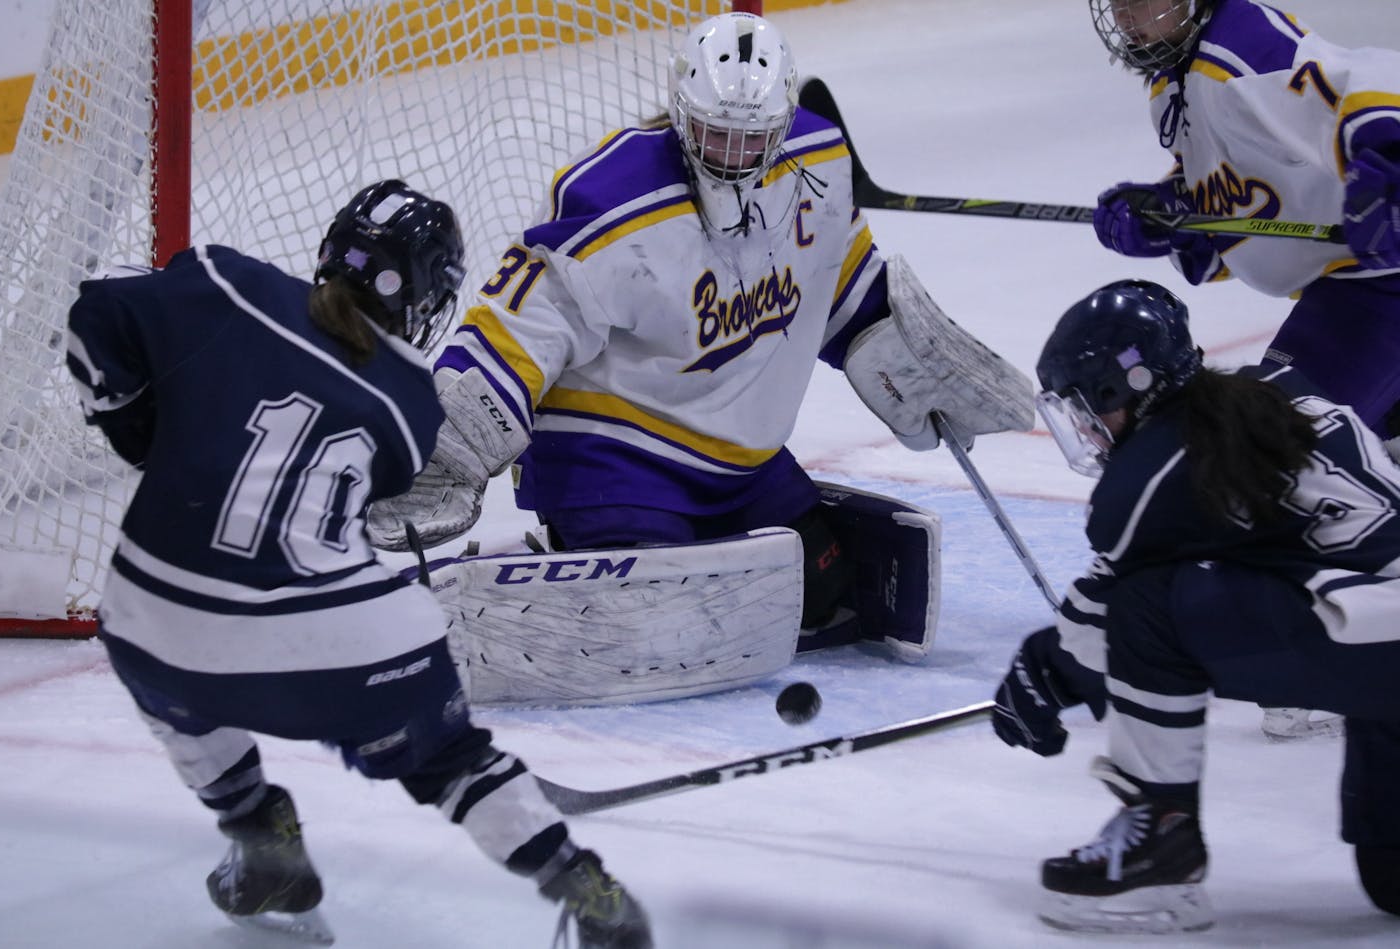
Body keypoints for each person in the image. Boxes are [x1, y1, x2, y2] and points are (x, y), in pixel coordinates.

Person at [367, 12, 1035, 705]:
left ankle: (615, 559)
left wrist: (895, 346)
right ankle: (561, 558)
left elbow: (836, 281)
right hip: (613, 456)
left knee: (826, 595)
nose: (735, 155)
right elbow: (518, 324)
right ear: (681, 114)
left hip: (741, 464)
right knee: (668, 626)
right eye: (717, 133)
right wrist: (449, 441)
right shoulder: (611, 198)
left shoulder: (819, 162)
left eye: (755, 139)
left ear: (784, 123)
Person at [63, 180, 652, 947]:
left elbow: (94, 315)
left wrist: (138, 429)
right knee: (451, 761)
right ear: (426, 297)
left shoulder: (225, 280)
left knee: (163, 667)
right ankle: (586, 886)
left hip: (160, 610)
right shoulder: (413, 404)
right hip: (344, 639)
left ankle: (255, 827)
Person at [990, 278, 1400, 934]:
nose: (1089, 435)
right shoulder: (1252, 402)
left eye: (1086, 409)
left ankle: (1164, 838)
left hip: (1384, 634)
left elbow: (1105, 616)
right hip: (1382, 640)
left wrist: (1044, 671)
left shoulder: (1159, 462)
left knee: (1147, 608)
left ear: (1123, 386)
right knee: (1393, 882)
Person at [1088, 0, 1400, 740]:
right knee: (1363, 458)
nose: (1131, 18)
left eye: (1146, 0)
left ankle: (1331, 658)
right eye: (1121, 4)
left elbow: (1372, 83)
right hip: (1353, 282)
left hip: (1379, 284)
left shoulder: (1239, 46)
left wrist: (1392, 169)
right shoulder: (1176, 81)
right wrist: (1173, 217)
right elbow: (1249, 194)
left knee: (1266, 443)